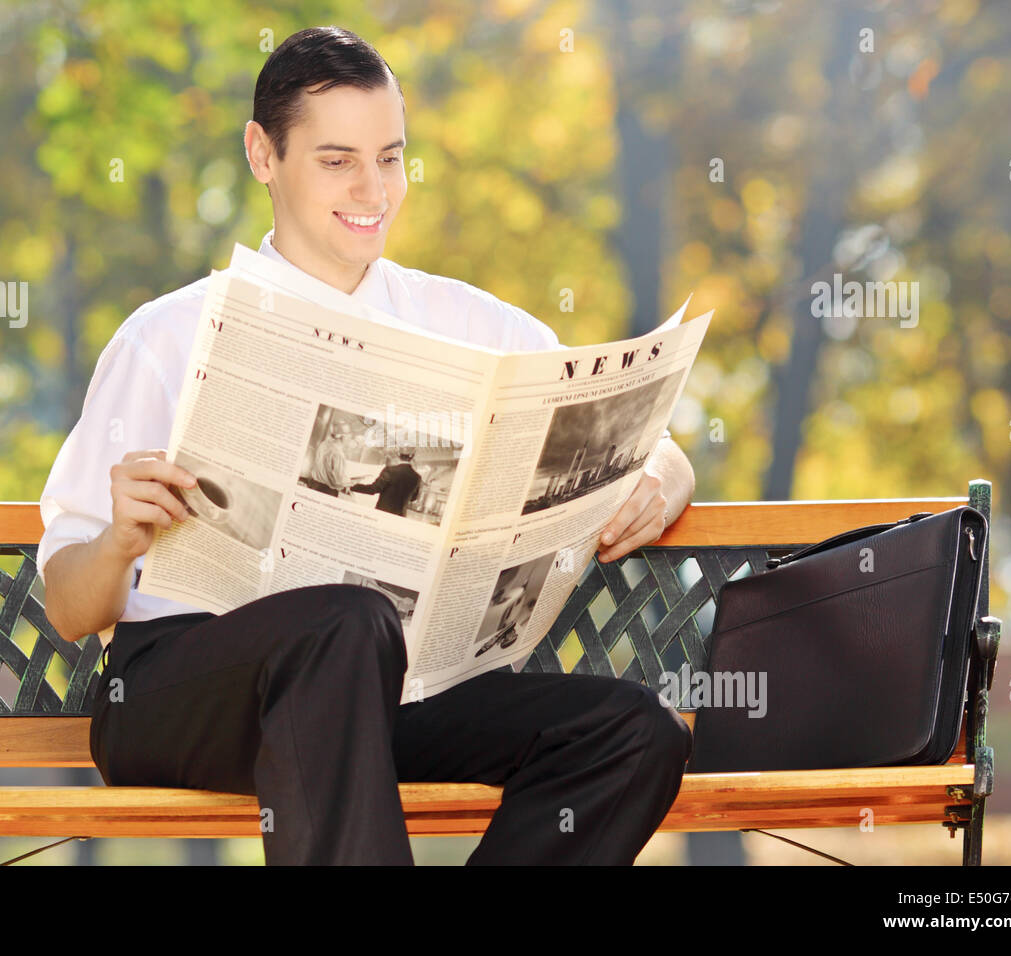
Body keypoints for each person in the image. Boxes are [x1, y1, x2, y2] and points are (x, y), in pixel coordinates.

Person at [38, 26, 696, 865]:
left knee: (633, 731)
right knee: (346, 621)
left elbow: (642, 434)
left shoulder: (466, 322)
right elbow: (69, 608)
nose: (372, 189)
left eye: (390, 157)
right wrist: (120, 541)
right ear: (262, 154)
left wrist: (664, 475)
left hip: (390, 687)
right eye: (337, 160)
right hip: (180, 696)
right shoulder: (166, 337)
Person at [350, 447, 422, 515]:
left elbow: (373, 489)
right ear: (413, 456)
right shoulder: (417, 477)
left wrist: (351, 485)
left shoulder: (390, 471)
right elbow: (413, 498)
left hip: (382, 513)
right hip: (400, 516)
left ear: (398, 454)